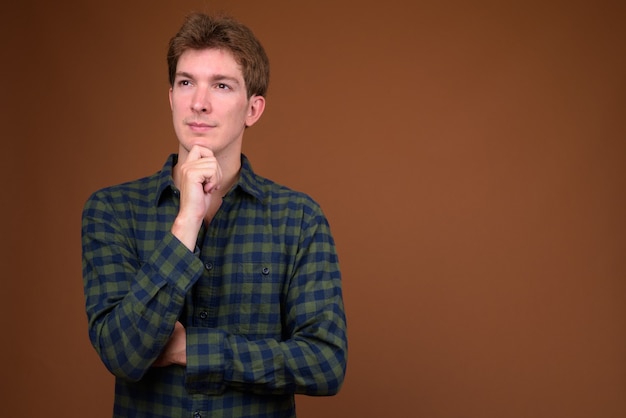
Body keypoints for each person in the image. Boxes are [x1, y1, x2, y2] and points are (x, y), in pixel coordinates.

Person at [81, 13, 347, 417]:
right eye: (186, 82)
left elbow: (326, 364)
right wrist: (186, 221)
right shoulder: (111, 211)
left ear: (253, 109)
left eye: (221, 86)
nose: (199, 102)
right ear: (171, 97)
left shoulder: (299, 218)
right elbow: (121, 354)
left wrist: (196, 350)